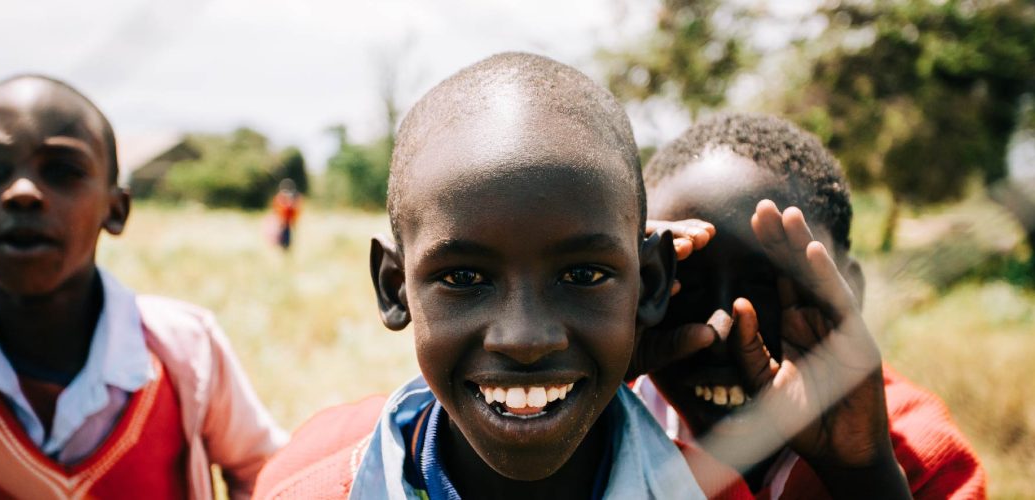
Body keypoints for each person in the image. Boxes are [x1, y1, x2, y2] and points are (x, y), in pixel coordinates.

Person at [254, 52, 719, 499]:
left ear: (651, 283)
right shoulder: (305, 490)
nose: (525, 339)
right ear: (395, 288)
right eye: (463, 279)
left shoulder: (716, 491)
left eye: (582, 274)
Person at [0, 75, 286, 499]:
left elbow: (266, 471)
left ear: (116, 209)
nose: (22, 192)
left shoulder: (185, 351)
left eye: (62, 171)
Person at [636, 112, 987, 498]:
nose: (721, 332)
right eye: (680, 283)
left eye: (768, 284)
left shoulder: (923, 459)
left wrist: (864, 475)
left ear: (850, 289)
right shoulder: (600, 421)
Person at [271, 178, 301, 251]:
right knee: (280, 241)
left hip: (287, 224)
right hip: (281, 224)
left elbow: (294, 212)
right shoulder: (279, 199)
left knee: (287, 242)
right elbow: (276, 211)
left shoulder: (292, 201)